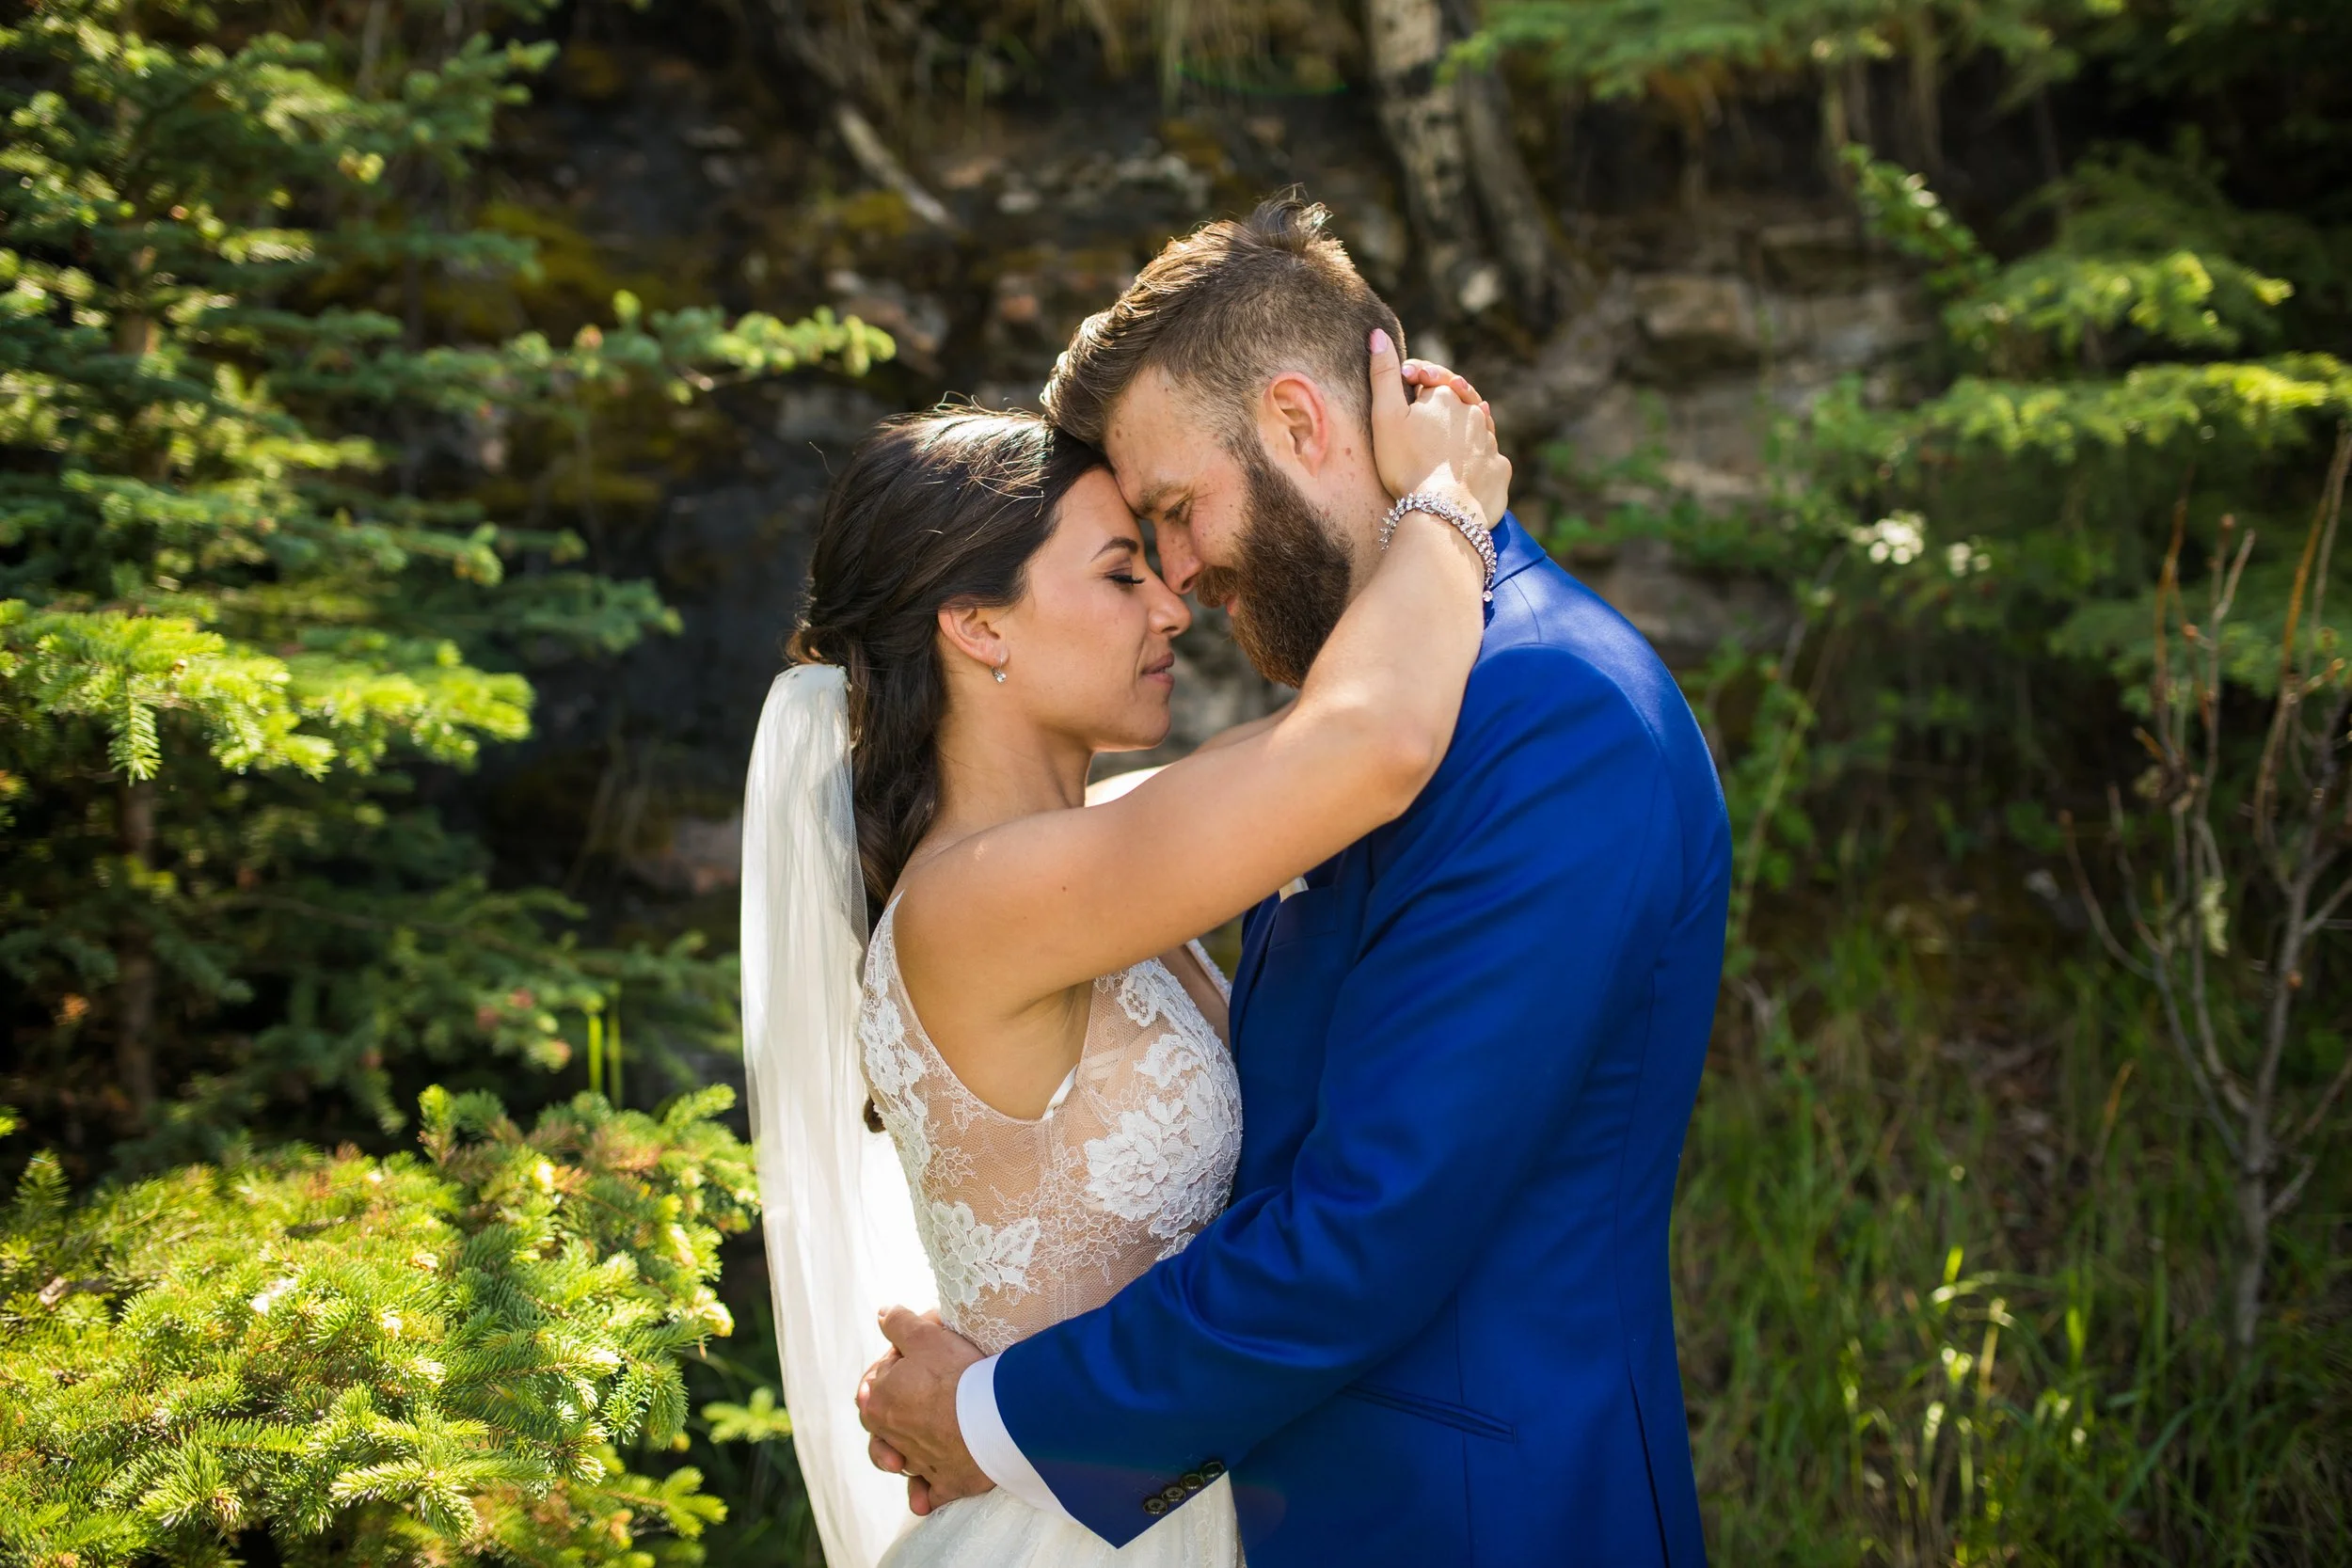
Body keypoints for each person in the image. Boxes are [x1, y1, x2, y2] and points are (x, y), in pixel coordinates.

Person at [853, 195, 1732, 1568]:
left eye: (1173, 513)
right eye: (1133, 551)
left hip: (1481, 1520)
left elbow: (1368, 1226)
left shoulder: (1548, 710)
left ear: (1300, 422)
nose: (1180, 582)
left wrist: (1001, 1413)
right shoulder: (1344, 734)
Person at [740, 321, 1508, 1564]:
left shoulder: (1093, 850)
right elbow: (1370, 745)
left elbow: (1327, 738)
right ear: (979, 627)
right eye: (1118, 574)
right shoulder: (979, 901)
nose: (1174, 608)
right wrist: (1445, 500)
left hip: (1161, 1493)